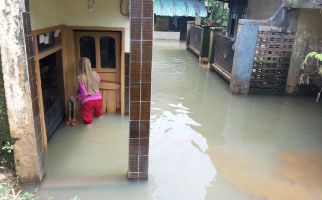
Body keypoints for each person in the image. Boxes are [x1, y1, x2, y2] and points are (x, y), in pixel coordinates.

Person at [77, 57, 103, 124]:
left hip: (87, 102)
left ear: (81, 66)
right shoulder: (95, 73)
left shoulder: (80, 77)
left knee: (88, 122)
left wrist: (77, 97)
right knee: (99, 116)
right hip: (98, 99)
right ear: (90, 64)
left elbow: (84, 94)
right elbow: (99, 80)